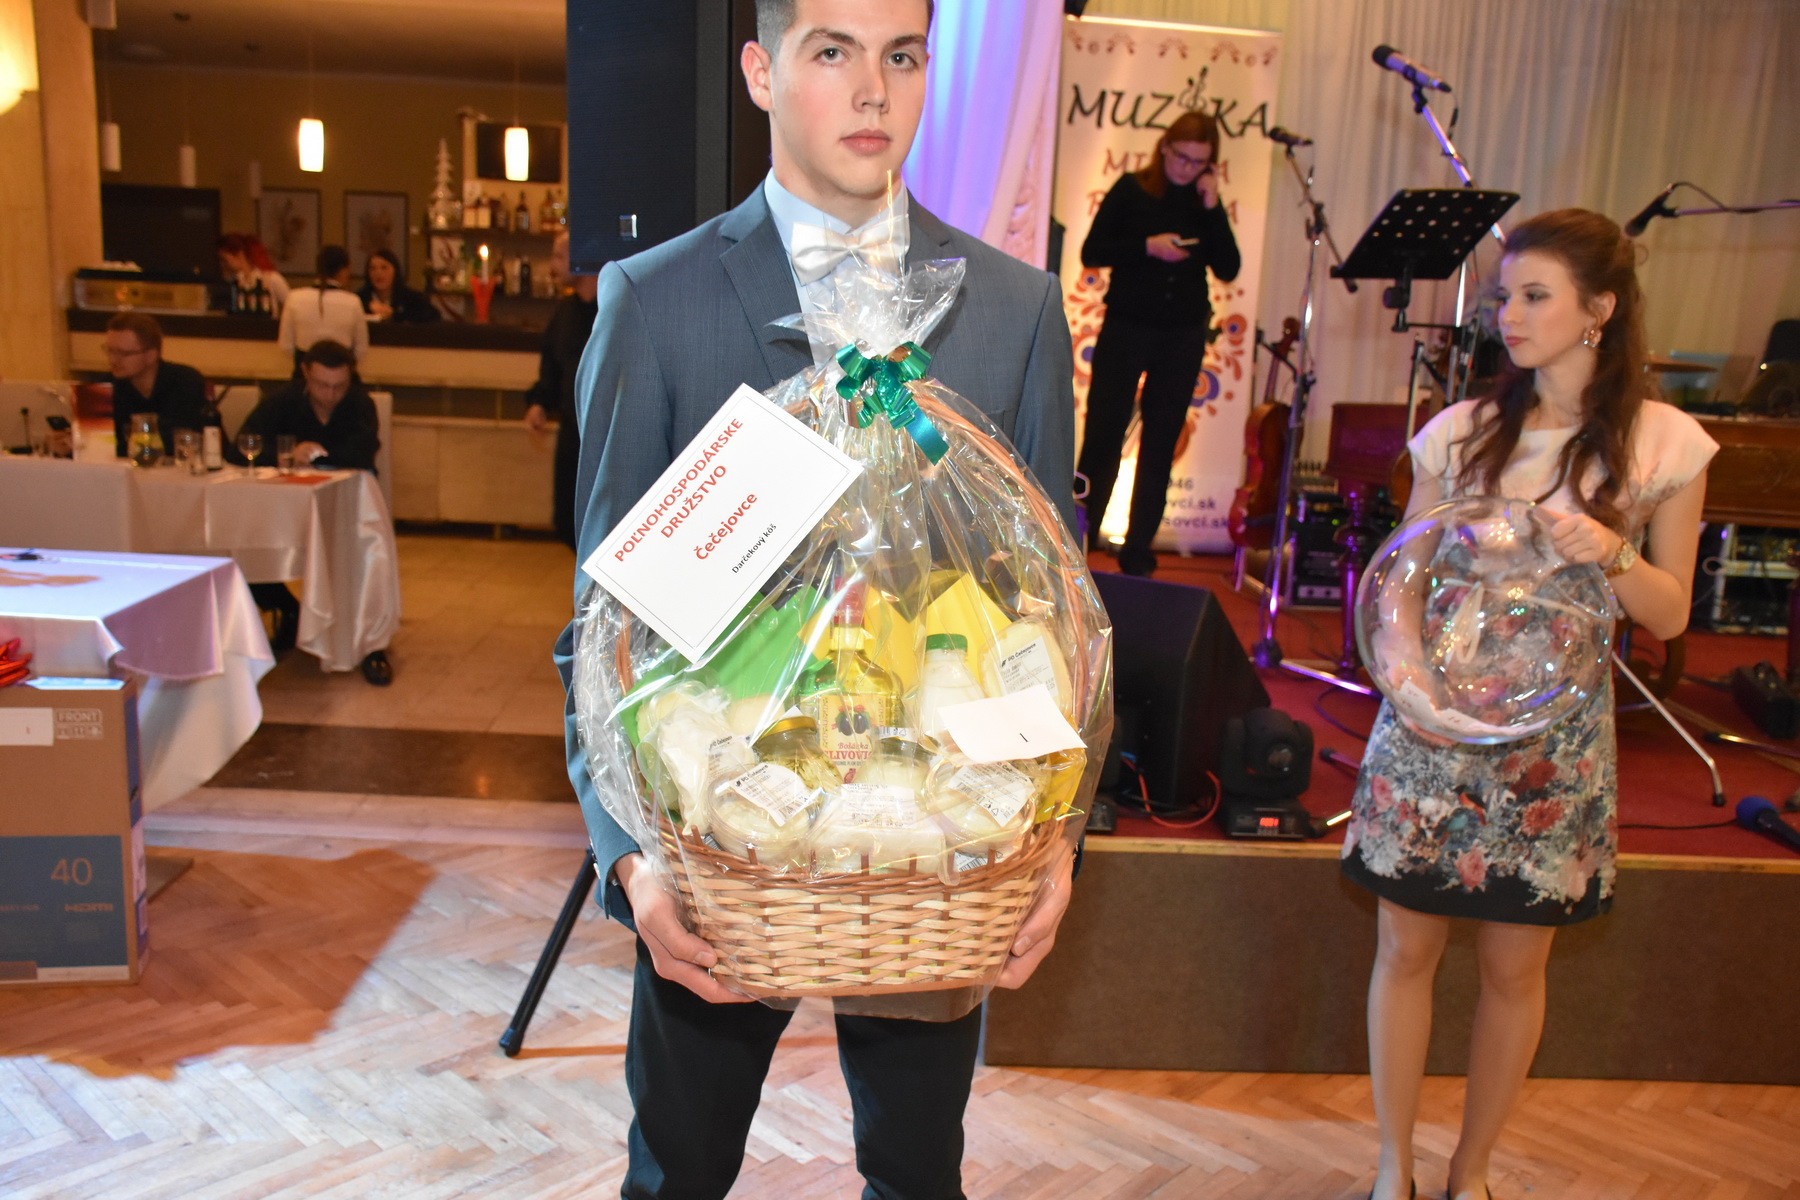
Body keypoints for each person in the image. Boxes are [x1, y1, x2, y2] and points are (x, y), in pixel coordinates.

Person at [553, 2, 1078, 1196]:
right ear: (759, 70)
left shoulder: (1011, 310)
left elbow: (1052, 614)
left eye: (902, 55)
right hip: (719, 839)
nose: (872, 90)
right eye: (830, 51)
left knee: (917, 1170)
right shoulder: (658, 300)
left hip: (940, 846)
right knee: (678, 1170)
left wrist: (1058, 842)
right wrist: (631, 863)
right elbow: (600, 624)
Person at [1343, 209, 1717, 1200]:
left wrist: (1616, 552)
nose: (1507, 314)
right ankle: (1393, 1167)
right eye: (1504, 295)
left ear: (1600, 309)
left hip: (1551, 743)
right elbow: (1401, 583)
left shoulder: (1666, 443)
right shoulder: (1460, 433)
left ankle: (1470, 1172)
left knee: (1516, 969)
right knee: (1403, 949)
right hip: (1430, 724)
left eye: (1534, 296)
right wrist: (1412, 682)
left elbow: (1672, 615)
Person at [1075, 110, 1240, 577]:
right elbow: (1092, 251)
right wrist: (1147, 246)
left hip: (1181, 333)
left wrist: (1213, 206)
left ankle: (1137, 552)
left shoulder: (1205, 204)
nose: (1187, 168)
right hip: (1127, 326)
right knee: (1103, 435)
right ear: (1164, 148)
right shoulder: (1132, 189)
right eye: (1181, 157)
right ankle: (1079, 540)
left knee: (1161, 441)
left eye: (1199, 162)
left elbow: (1228, 267)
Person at [234, 339, 392, 685]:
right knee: (242, 533)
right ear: (305, 373)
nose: (330, 394)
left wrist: (318, 454)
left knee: (368, 549)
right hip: (286, 503)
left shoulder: (359, 403)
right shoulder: (281, 401)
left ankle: (372, 642)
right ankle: (287, 609)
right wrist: (287, 454)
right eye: (322, 385)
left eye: (339, 386)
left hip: (349, 501)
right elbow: (244, 445)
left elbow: (363, 451)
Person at [522, 232, 598, 550]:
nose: (553, 267)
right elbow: (552, 368)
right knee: (568, 522)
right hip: (570, 434)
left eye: (558, 256)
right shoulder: (563, 312)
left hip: (604, 435)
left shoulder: (613, 310)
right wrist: (539, 403)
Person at [103, 311, 209, 458]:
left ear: (151, 355)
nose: (113, 360)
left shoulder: (184, 381)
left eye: (123, 353)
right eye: (110, 351)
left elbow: (179, 438)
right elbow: (104, 443)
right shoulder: (106, 387)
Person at [278, 245, 370, 369]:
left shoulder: (294, 298)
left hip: (304, 373)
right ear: (344, 270)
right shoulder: (353, 302)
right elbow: (361, 351)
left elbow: (286, 346)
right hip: (342, 373)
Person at [358, 248, 440, 324]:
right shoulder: (359, 299)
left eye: (384, 268)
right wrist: (368, 307)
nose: (378, 273)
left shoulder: (411, 297)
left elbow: (434, 317)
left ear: (395, 271)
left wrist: (394, 314)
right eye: (372, 268)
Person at [217, 233, 290, 317]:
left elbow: (291, 305)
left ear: (239, 255)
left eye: (224, 260)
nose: (222, 264)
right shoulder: (232, 283)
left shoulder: (271, 278)